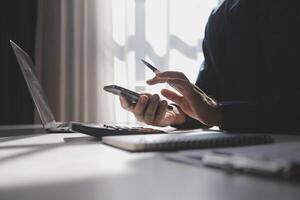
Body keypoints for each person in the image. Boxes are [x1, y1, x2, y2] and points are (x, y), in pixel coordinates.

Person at [119, 0, 300, 133]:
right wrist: (175, 115)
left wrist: (218, 113)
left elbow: (290, 108)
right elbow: (208, 102)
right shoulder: (220, 15)